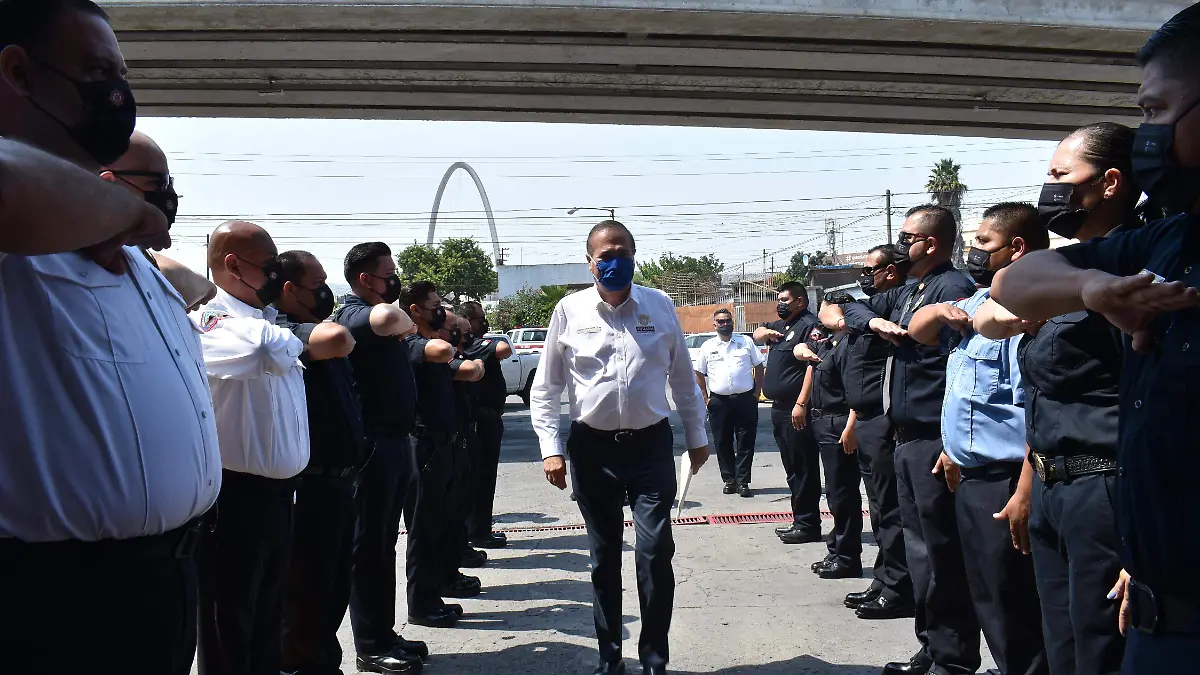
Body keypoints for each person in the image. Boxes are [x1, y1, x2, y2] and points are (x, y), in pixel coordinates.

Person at [0, 3, 212, 672]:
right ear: (18, 72)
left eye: (120, 72)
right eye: (95, 72)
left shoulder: (125, 250)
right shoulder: (30, 233)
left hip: (162, 581)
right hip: (55, 601)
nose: (117, 93)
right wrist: (125, 211)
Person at [991, 6, 1200, 670]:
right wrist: (1091, 290)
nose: (1151, 134)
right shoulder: (1169, 242)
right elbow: (1015, 285)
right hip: (1158, 608)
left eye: (1159, 110)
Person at [975, 123, 1149, 675]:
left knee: (1101, 650)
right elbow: (993, 313)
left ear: (1111, 181)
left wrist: (1144, 542)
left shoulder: (1140, 266)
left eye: (1060, 176)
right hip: (1055, 486)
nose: (1048, 189)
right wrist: (1031, 483)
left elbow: (1161, 409)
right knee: (1062, 646)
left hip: (1111, 490)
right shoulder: (1069, 267)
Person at [530, 220, 710, 675]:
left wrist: (697, 437)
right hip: (593, 450)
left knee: (654, 553)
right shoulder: (569, 311)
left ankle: (654, 658)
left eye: (623, 252)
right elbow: (547, 388)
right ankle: (610, 656)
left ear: (634, 254)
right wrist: (551, 447)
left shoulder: (659, 305)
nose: (615, 261)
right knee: (604, 557)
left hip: (651, 448)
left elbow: (683, 380)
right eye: (606, 254)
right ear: (590, 261)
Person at [908, 203, 1050, 675]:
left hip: (1008, 480)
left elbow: (1036, 414)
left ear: (1017, 249)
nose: (972, 251)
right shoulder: (975, 304)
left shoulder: (1026, 315)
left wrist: (1026, 491)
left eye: (984, 243)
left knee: (1014, 606)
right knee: (986, 595)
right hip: (969, 476)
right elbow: (919, 332)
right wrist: (934, 309)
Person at [842, 205, 981, 675]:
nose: (900, 245)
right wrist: (875, 322)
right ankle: (934, 646)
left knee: (940, 554)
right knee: (920, 551)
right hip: (905, 438)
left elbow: (959, 371)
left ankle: (954, 657)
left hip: (932, 439)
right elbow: (848, 305)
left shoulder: (952, 289)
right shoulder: (909, 290)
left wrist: (952, 441)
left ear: (932, 243)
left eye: (907, 237)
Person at [191, 222, 322, 675]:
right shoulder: (211, 317)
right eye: (268, 267)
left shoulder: (260, 321)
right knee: (230, 621)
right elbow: (261, 355)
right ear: (233, 265)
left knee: (268, 614)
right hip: (235, 496)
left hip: (277, 494)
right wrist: (293, 340)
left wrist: (283, 339)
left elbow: (272, 348)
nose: (275, 277)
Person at [335, 242, 426, 674]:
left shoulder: (378, 315)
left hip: (395, 444)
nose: (395, 280)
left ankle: (384, 632)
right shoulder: (353, 312)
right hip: (372, 448)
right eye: (389, 274)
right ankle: (369, 645)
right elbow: (392, 317)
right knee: (368, 548)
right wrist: (405, 317)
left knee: (384, 544)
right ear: (365, 279)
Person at [274, 250, 367, 675]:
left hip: (340, 481)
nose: (327, 292)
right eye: (318, 284)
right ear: (289, 289)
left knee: (331, 591)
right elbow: (334, 340)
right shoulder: (283, 330)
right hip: (307, 486)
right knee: (304, 595)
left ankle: (322, 661)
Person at [820, 245, 915, 620]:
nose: (864, 276)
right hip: (866, 417)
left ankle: (898, 587)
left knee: (890, 508)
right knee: (878, 507)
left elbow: (847, 312)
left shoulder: (898, 299)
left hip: (884, 417)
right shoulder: (870, 304)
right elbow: (842, 308)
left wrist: (864, 318)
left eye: (869, 270)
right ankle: (885, 577)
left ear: (890, 272)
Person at [403, 281, 472, 628]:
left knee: (436, 526)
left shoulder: (429, 343)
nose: (441, 311)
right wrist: (451, 335)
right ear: (414, 311)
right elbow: (446, 354)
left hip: (440, 442)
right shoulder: (415, 344)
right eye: (434, 306)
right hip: (424, 444)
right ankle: (421, 604)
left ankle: (431, 597)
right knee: (422, 529)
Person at [100, 129, 215, 310]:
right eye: (158, 183)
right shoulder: (52, 266)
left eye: (169, 183)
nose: (168, 195)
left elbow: (205, 289)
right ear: (108, 184)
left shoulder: (140, 259)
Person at [754, 281, 823, 544]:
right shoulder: (782, 326)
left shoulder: (810, 326)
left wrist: (801, 404)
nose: (780, 304)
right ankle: (800, 519)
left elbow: (812, 367)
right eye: (779, 299)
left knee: (803, 467)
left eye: (785, 300)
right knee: (792, 467)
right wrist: (765, 333)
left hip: (797, 409)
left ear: (800, 302)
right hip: (780, 408)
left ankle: (808, 524)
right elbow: (758, 333)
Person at [796, 320, 864, 580]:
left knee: (843, 494)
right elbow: (802, 350)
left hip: (839, 423)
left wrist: (850, 427)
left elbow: (854, 391)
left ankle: (847, 558)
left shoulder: (849, 345)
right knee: (835, 495)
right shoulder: (829, 342)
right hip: (824, 421)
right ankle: (837, 550)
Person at [695, 308, 765, 497]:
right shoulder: (707, 346)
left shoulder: (745, 342)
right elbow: (699, 373)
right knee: (722, 441)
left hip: (745, 400)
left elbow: (759, 366)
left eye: (727, 321)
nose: (725, 324)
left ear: (732, 323)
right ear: (715, 324)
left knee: (746, 441)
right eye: (721, 321)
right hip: (719, 402)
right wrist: (706, 397)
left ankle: (743, 481)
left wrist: (757, 392)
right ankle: (729, 480)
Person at [462, 301, 514, 549]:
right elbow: (504, 349)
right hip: (482, 418)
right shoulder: (474, 345)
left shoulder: (470, 346)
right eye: (480, 318)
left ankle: (479, 528)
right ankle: (479, 531)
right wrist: (482, 346)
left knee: (481, 476)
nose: (484, 322)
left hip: (487, 415)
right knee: (481, 476)